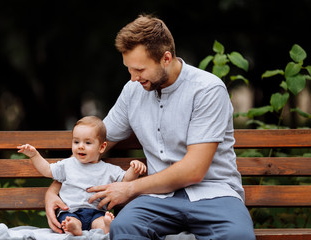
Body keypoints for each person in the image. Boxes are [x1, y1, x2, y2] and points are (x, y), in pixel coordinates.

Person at [45, 15, 256, 240]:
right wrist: (54, 190)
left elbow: (194, 170)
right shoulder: (133, 91)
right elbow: (91, 144)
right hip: (158, 199)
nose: (134, 78)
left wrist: (130, 188)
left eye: (140, 70)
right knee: (123, 228)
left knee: (237, 235)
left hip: (214, 194)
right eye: (129, 69)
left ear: (166, 58)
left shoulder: (207, 90)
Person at [17, 116, 146, 236]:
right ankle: (74, 228)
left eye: (88, 143)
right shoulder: (67, 165)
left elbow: (125, 180)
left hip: (96, 212)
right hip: (71, 211)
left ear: (102, 147)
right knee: (70, 220)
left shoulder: (108, 169)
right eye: (76, 142)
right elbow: (47, 170)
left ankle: (106, 226)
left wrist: (134, 169)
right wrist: (35, 155)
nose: (81, 147)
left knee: (100, 222)